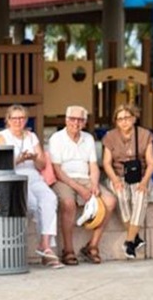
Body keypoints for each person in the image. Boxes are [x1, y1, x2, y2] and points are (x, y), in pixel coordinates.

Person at [0, 104, 61, 268]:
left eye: (22, 118)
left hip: (33, 176)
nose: (18, 121)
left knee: (50, 199)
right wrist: (20, 159)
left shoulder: (31, 136)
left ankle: (45, 245)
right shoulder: (2, 137)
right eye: (15, 118)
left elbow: (41, 164)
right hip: (14, 178)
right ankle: (45, 251)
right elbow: (2, 164)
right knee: (32, 205)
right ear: (8, 120)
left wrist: (33, 158)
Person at [48, 105, 116, 265]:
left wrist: (93, 184)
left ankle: (92, 246)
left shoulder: (88, 138)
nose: (75, 123)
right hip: (64, 179)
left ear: (85, 122)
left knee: (110, 201)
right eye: (72, 119)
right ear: (66, 120)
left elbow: (93, 165)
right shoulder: (56, 138)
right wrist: (80, 189)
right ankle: (68, 250)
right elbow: (57, 170)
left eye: (80, 120)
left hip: (84, 178)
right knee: (68, 203)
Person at [102, 103, 153, 259]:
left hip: (141, 175)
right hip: (117, 175)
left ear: (134, 118)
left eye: (126, 118)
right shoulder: (110, 136)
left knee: (140, 196)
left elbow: (152, 162)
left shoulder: (145, 135)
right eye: (119, 119)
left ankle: (129, 240)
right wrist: (115, 180)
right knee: (121, 195)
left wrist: (145, 181)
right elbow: (106, 163)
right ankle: (135, 238)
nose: (123, 122)